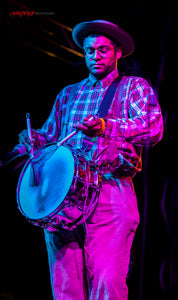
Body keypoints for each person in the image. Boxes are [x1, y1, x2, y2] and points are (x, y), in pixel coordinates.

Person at [19, 20, 163, 300]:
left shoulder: (133, 87)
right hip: (64, 198)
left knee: (107, 285)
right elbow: (50, 139)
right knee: (65, 290)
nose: (94, 57)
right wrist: (33, 140)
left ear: (118, 52)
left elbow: (153, 127)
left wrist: (107, 126)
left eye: (102, 50)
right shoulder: (68, 94)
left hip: (110, 188)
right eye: (89, 51)